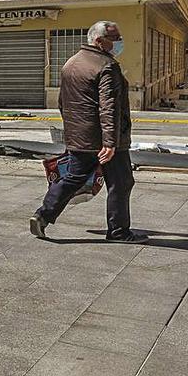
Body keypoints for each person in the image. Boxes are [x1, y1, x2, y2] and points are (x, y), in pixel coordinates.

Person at [30, 21, 145, 243]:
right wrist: (110, 143)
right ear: (99, 41)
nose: (119, 42)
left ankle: (43, 215)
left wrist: (73, 134)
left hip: (79, 137)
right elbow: (108, 106)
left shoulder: (70, 64)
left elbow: (63, 103)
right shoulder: (106, 66)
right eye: (115, 38)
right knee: (121, 183)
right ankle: (119, 232)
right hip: (106, 139)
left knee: (73, 178)